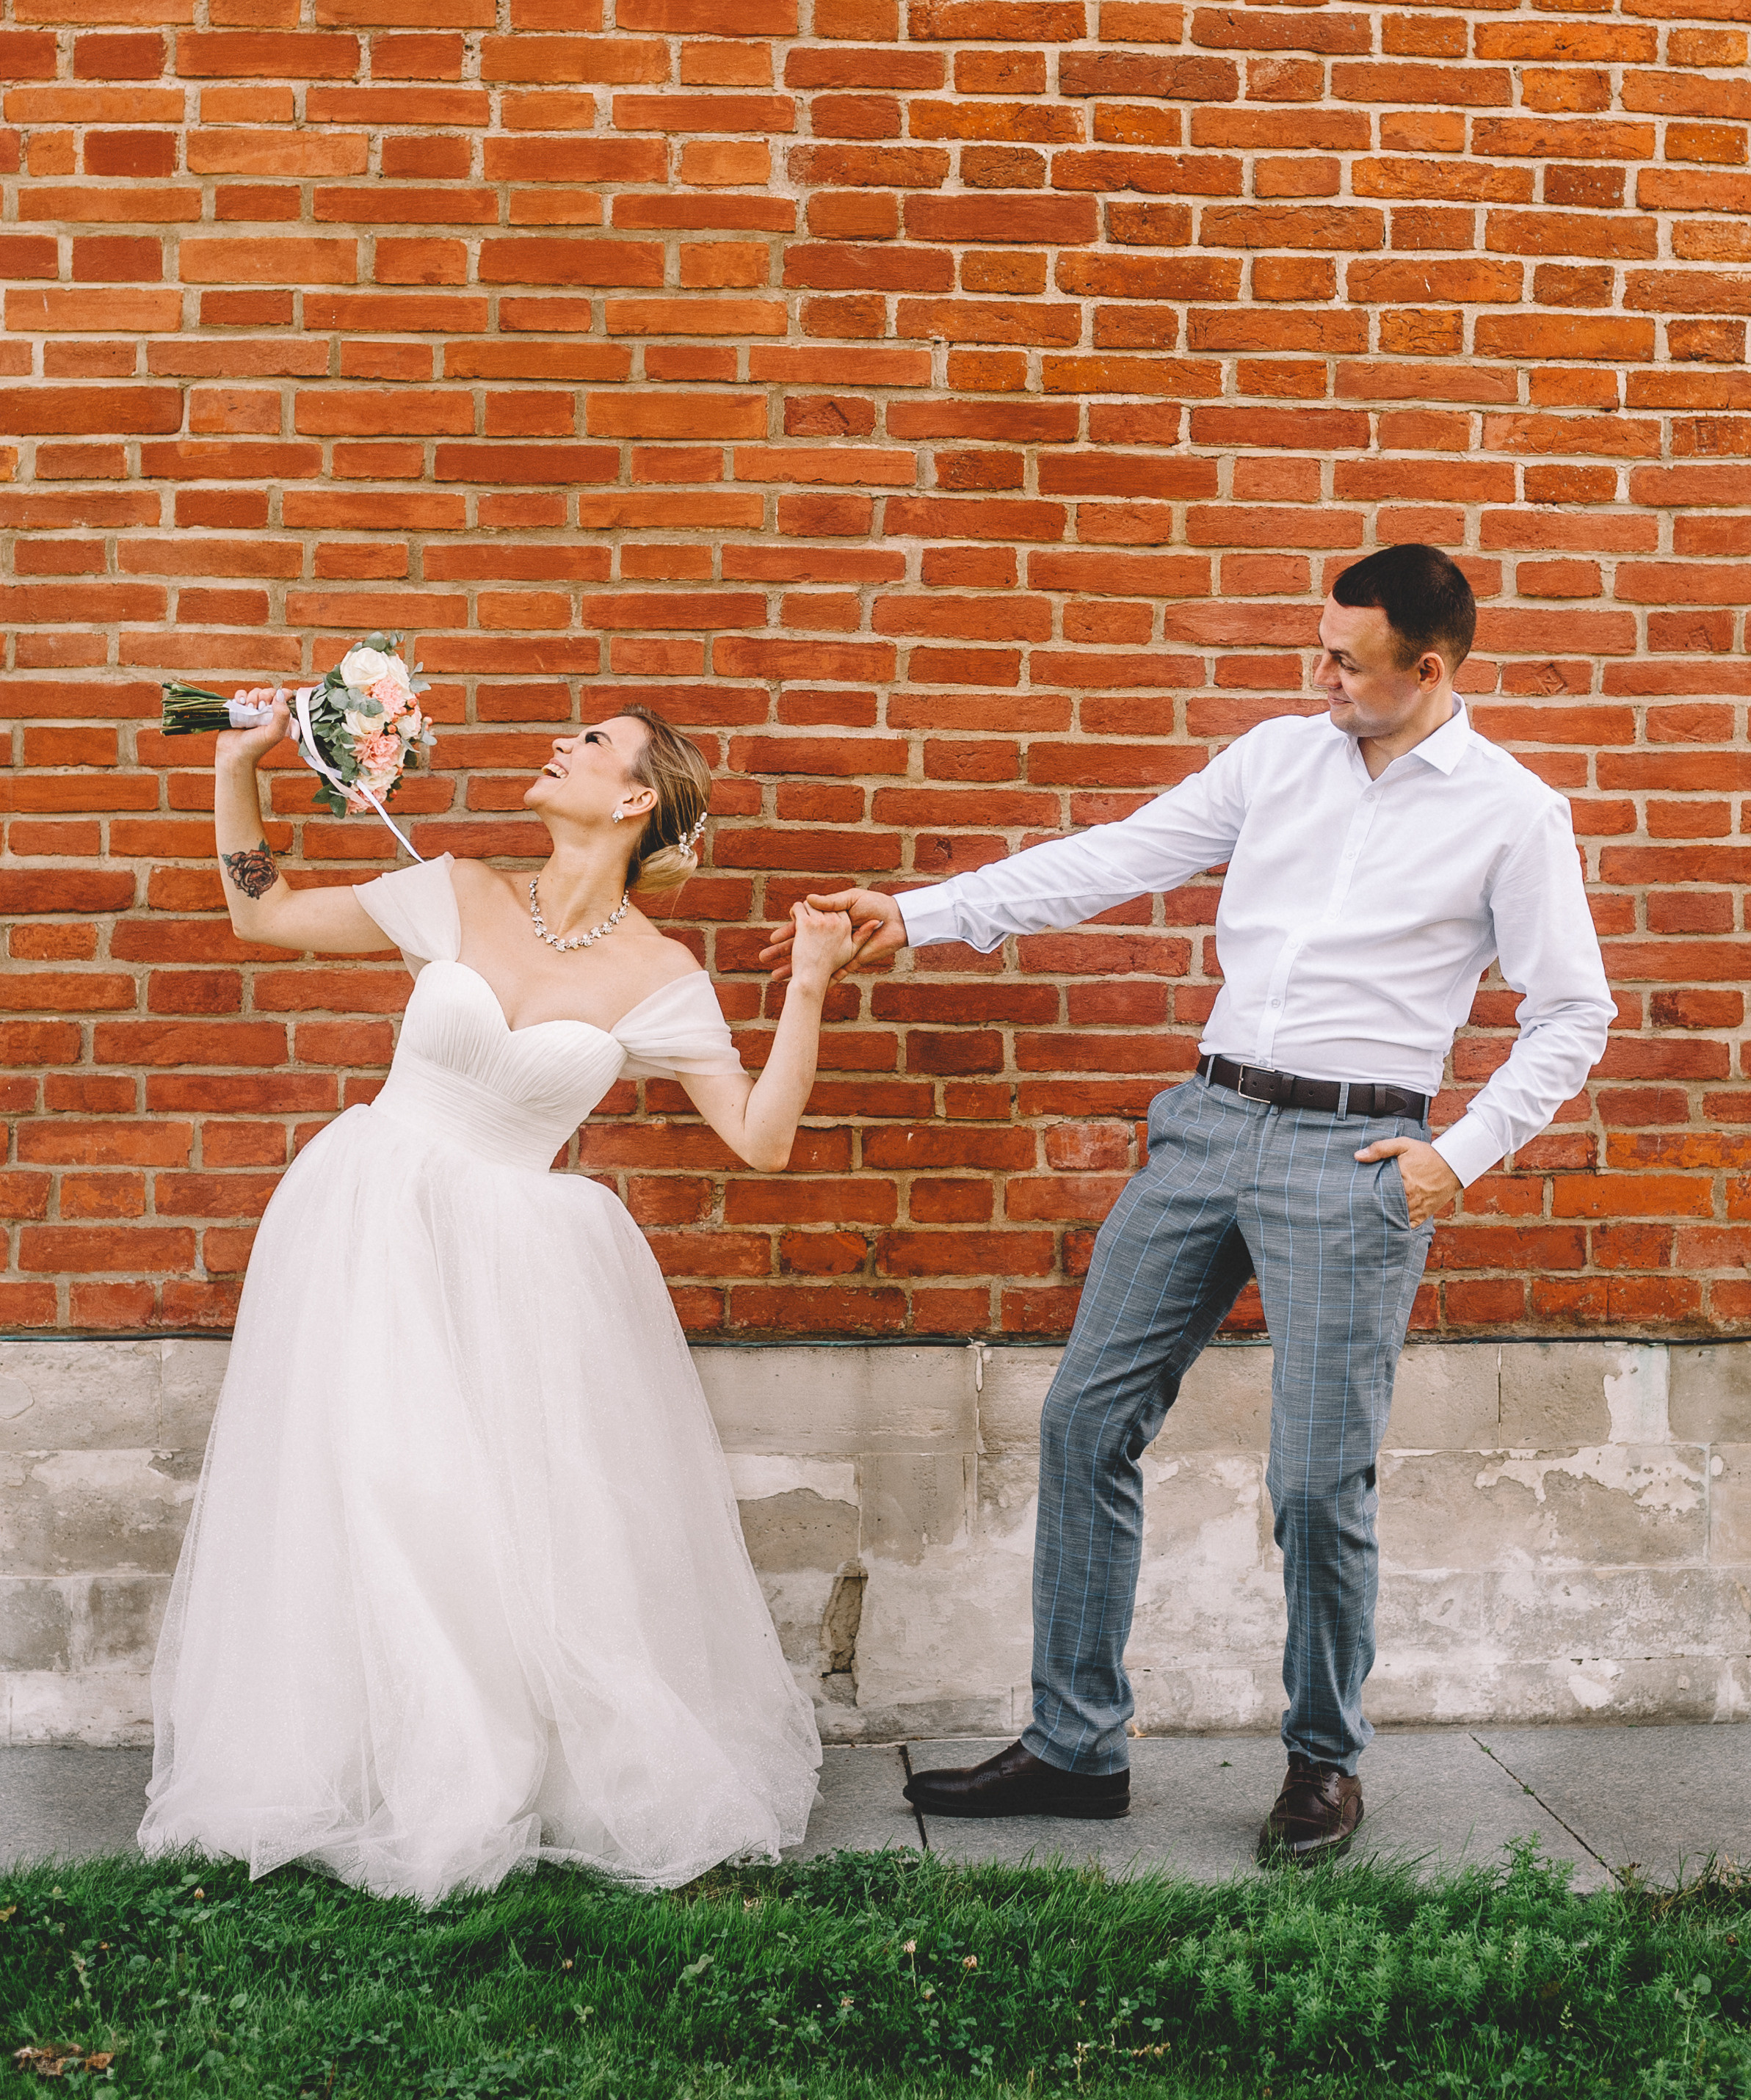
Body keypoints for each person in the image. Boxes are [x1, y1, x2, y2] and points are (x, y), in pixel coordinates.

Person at [767, 546, 1615, 1864]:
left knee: (1317, 1479)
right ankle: (1073, 1745)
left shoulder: (1513, 813)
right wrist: (922, 913)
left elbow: (1573, 1011)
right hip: (1206, 1126)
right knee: (1084, 1419)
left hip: (1355, 1158)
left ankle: (1322, 1764)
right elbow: (1114, 858)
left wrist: (1463, 1150)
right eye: (1318, 646)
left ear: (1427, 670)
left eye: (1344, 659)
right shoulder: (1277, 759)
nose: (1316, 673)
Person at [140, 691, 869, 1903]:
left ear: (636, 799)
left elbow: (759, 1141)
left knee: (488, 1508)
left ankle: (493, 1763)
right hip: (371, 1214)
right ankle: (373, 1761)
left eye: (589, 743)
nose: (558, 744)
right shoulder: (457, 889)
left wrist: (807, 987)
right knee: (377, 1483)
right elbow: (261, 914)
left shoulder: (660, 974)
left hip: (520, 1259)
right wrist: (237, 769)